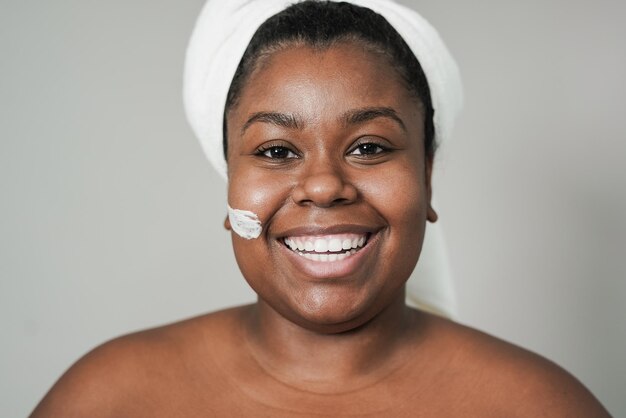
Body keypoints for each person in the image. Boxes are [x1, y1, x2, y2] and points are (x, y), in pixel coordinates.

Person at [31, 1, 609, 416]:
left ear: (428, 176)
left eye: (370, 147)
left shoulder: (539, 406)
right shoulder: (108, 398)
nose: (325, 186)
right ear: (231, 182)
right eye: (276, 151)